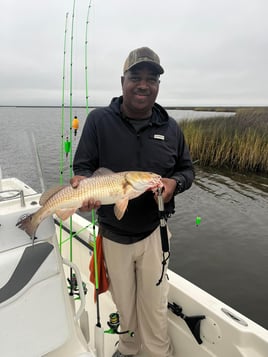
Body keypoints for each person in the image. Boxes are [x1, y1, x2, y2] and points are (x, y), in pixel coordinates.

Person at [71, 47, 194, 357]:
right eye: (136, 77)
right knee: (124, 303)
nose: (143, 84)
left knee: (154, 306)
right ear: (122, 81)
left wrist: (172, 184)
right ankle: (127, 349)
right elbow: (83, 168)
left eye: (151, 79)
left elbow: (186, 171)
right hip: (113, 235)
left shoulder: (170, 127)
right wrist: (81, 187)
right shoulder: (99, 120)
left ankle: (158, 353)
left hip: (155, 234)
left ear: (157, 86)